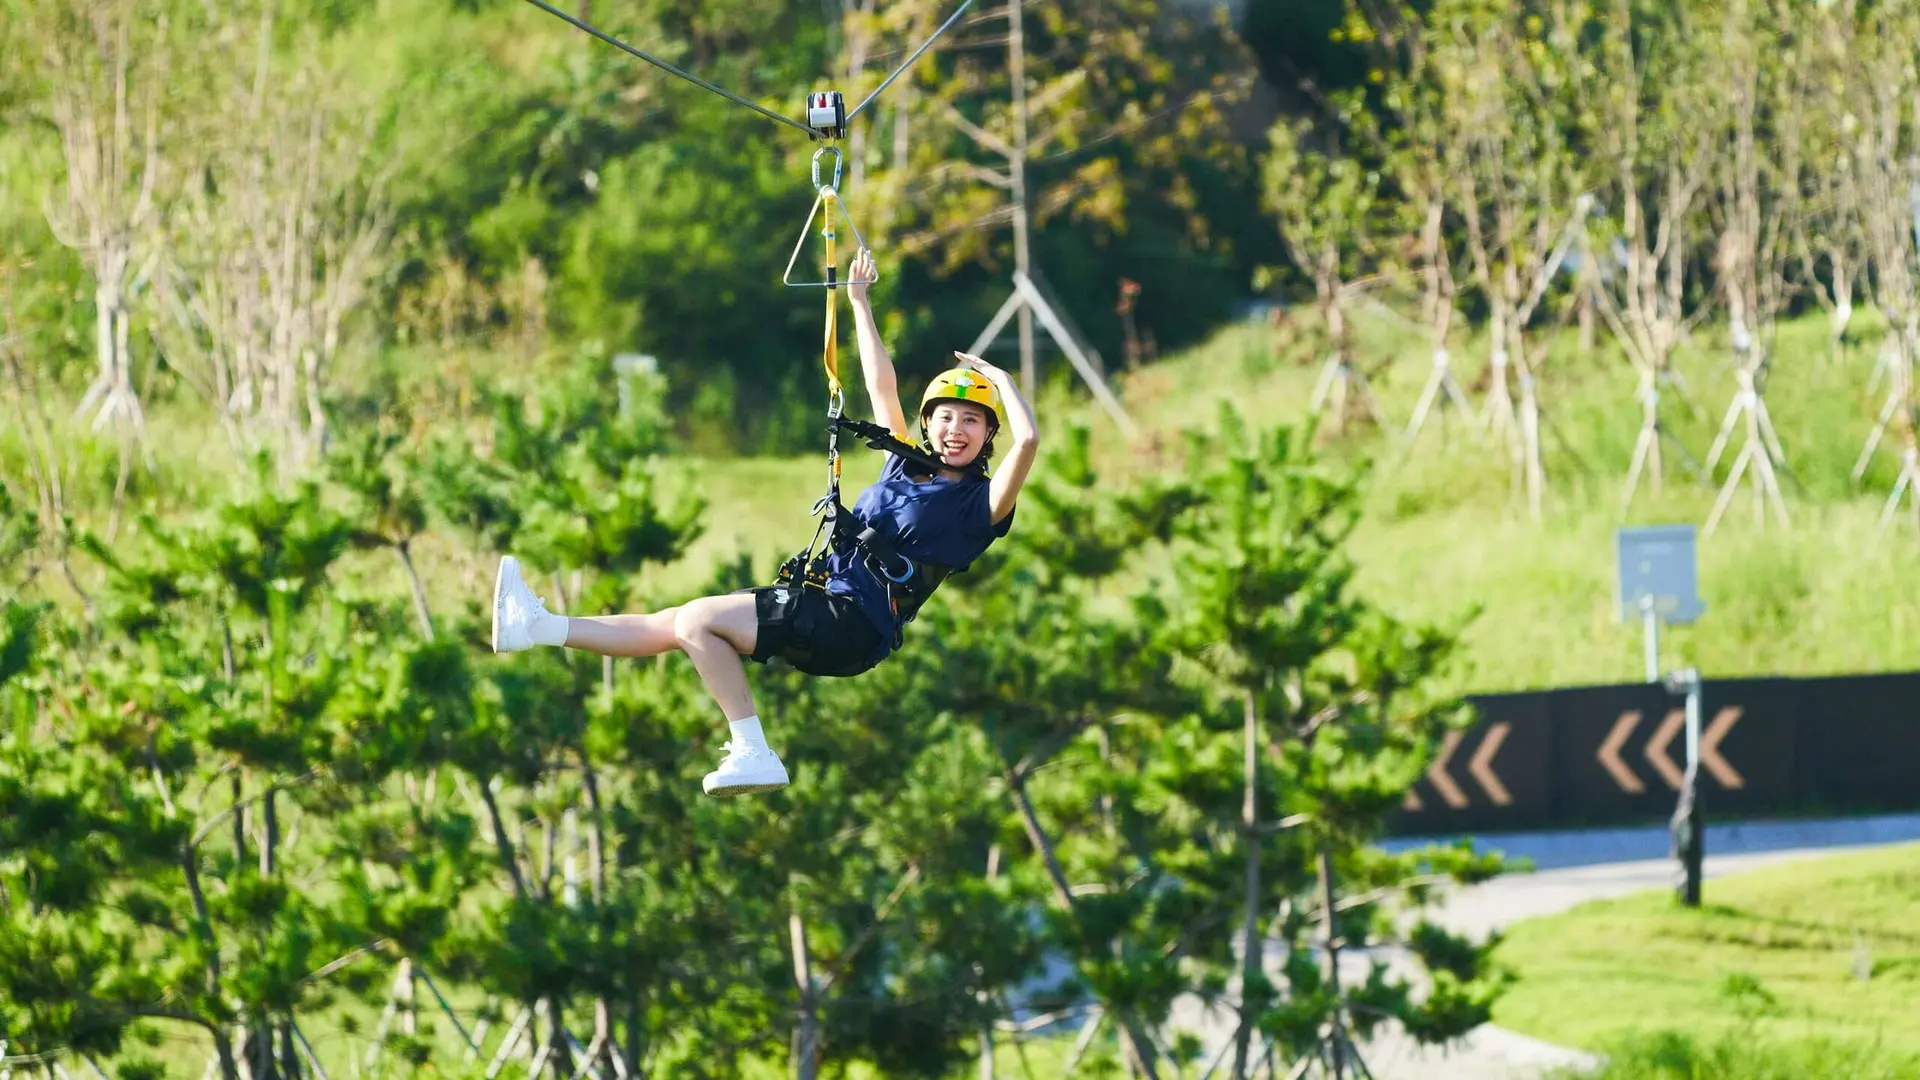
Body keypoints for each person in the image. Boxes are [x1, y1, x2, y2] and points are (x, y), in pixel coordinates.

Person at [490, 247, 1041, 797]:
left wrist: (1001, 382)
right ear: (929, 422)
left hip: (854, 622)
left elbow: (1031, 442)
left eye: (972, 422)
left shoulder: (979, 506)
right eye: (946, 417)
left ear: (989, 436)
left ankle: (752, 751)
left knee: (698, 622)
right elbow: (882, 388)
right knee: (676, 623)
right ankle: (538, 627)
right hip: (831, 605)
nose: (956, 430)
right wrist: (858, 303)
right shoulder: (905, 463)